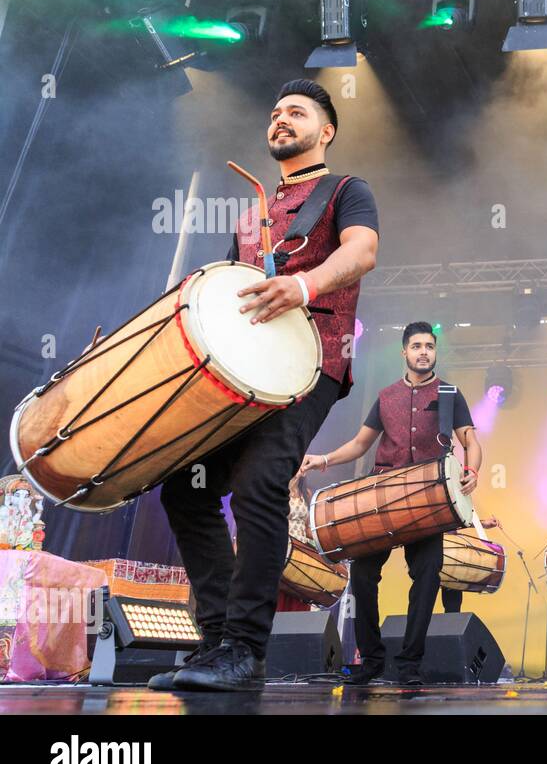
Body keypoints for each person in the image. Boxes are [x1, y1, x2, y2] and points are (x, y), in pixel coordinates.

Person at [151, 79, 378, 692]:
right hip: (244, 373)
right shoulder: (251, 215)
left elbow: (361, 253)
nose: (281, 120)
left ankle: (247, 648)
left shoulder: (346, 191)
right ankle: (219, 640)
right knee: (186, 489)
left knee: (258, 482)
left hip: (312, 364)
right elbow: (223, 295)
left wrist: (302, 287)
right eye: (275, 112)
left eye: (297, 112)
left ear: (325, 131)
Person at [299, 321, 481, 685]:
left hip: (428, 497)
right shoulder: (385, 397)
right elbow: (360, 444)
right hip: (380, 497)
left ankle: (409, 663)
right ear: (405, 352)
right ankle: (371, 660)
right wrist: (322, 460)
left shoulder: (450, 394)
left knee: (427, 576)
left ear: (434, 351)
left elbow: (471, 441)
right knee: (364, 576)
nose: (424, 352)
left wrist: (473, 469)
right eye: (416, 346)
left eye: (429, 346)